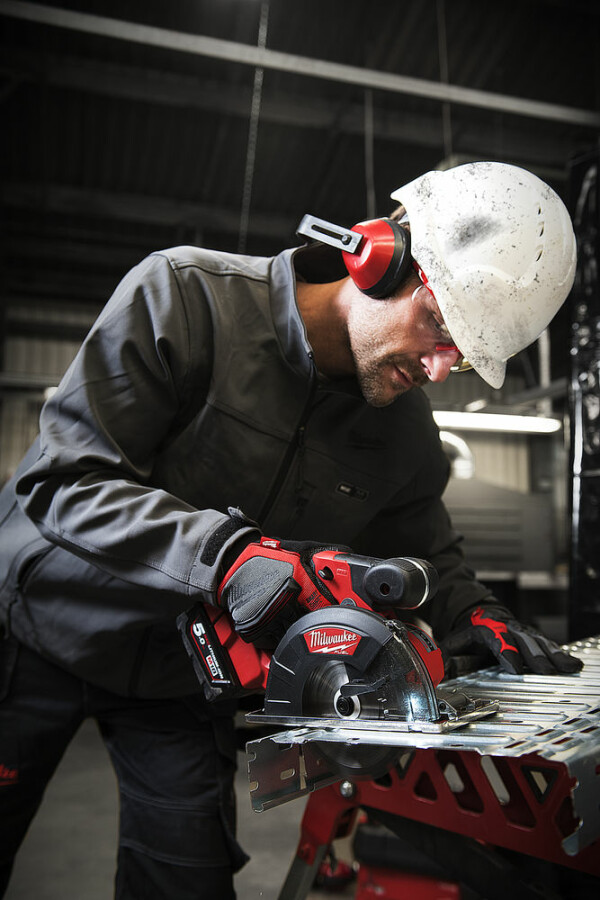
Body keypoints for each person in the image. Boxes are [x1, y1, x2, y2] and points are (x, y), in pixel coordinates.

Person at [0, 161, 583, 899]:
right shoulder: (185, 296)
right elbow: (63, 482)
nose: (441, 370)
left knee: (187, 883)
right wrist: (227, 558)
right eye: (440, 325)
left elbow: (429, 556)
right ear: (379, 258)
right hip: (38, 632)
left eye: (462, 356)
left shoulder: (404, 431)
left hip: (180, 677)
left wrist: (483, 618)